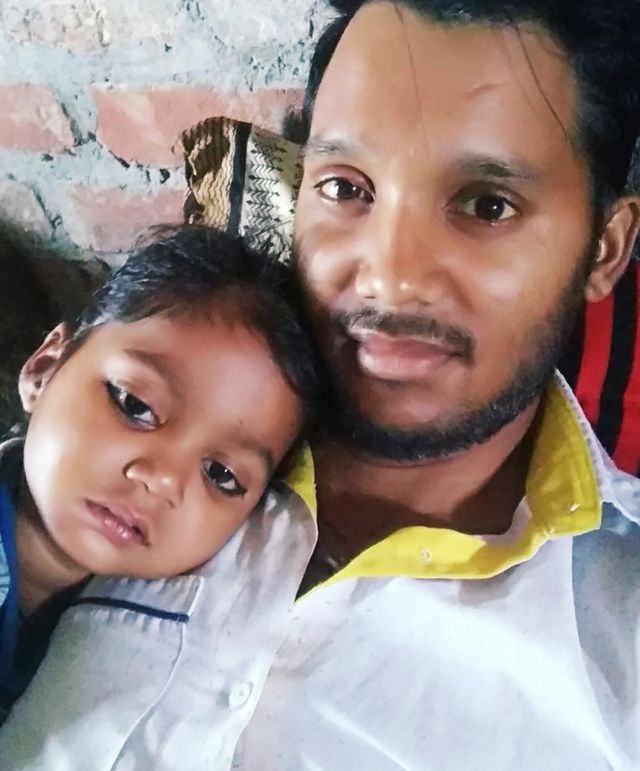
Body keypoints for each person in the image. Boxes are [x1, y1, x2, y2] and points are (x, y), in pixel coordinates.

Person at [1, 0, 639, 769]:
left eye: (486, 205)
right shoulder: (143, 425)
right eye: (345, 188)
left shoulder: (617, 636)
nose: (389, 277)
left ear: (606, 247)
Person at [0, 224, 318, 720]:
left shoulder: (125, 639)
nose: (164, 479)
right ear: (45, 368)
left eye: (221, 474)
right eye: (135, 404)